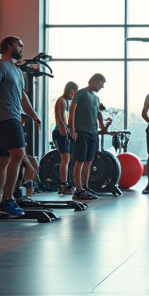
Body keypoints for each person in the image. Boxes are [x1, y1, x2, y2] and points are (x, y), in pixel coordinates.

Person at [0, 36, 41, 219]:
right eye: (19, 45)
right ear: (9, 46)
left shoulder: (16, 70)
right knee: (19, 154)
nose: (22, 48)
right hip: (5, 118)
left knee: (3, 161)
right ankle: (8, 199)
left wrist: (33, 114)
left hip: (11, 117)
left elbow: (22, 97)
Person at [68, 73, 109, 202]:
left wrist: (103, 127)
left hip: (92, 133)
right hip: (81, 132)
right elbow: (72, 110)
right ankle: (78, 190)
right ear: (92, 81)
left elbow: (98, 113)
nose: (100, 87)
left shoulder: (96, 98)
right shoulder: (81, 93)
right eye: (99, 84)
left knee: (89, 161)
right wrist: (72, 129)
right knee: (80, 161)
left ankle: (85, 187)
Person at [53, 81, 78, 194]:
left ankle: (66, 182)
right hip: (60, 132)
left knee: (67, 159)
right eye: (74, 93)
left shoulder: (66, 101)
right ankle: (63, 184)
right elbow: (60, 117)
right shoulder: (61, 101)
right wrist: (63, 130)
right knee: (65, 159)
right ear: (71, 91)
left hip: (64, 131)